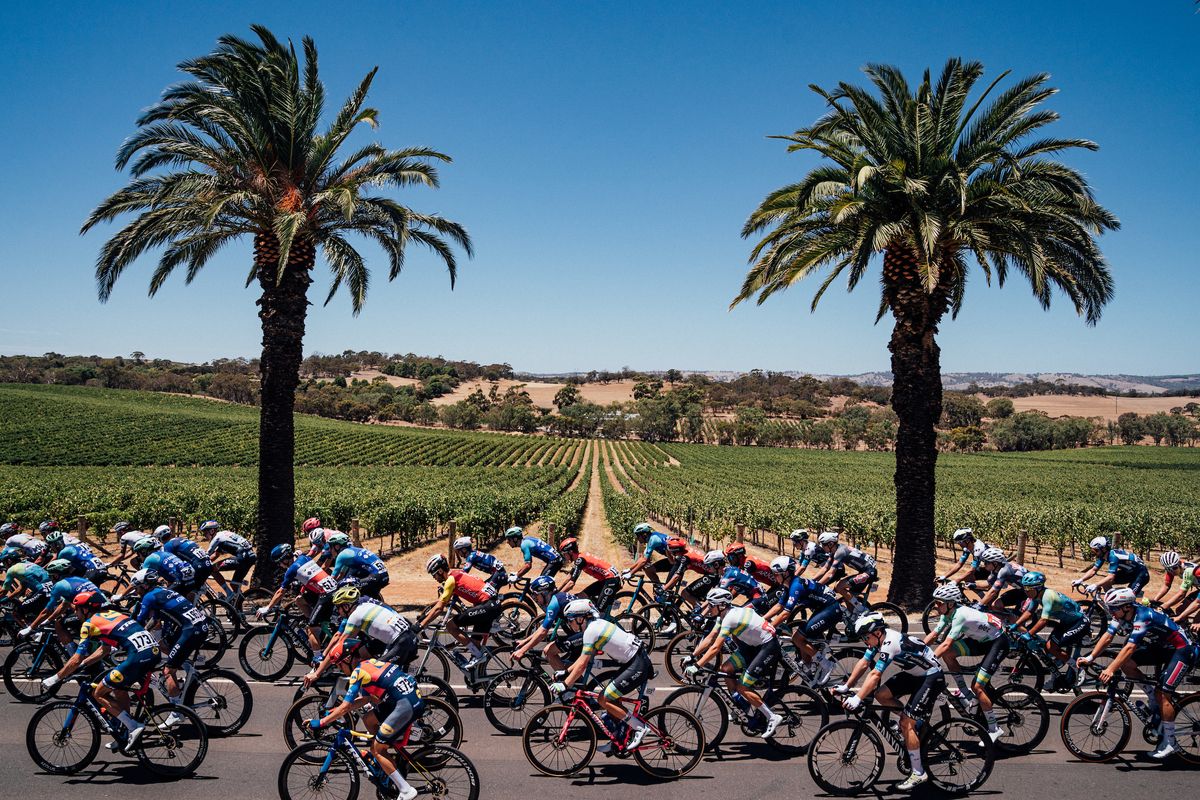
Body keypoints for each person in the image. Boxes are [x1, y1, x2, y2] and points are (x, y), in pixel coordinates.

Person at [1078, 587, 1198, 760]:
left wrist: (1110, 669)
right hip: (1162, 648)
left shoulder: (1142, 617)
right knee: (1127, 664)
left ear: (1126, 607)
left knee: (1163, 694)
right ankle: (1151, 696)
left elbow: (1130, 647)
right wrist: (1090, 657)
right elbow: (1108, 636)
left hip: (1182, 650)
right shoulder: (1123, 614)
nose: (1110, 611)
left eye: (1113, 608)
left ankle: (1170, 742)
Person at [40, 591, 161, 754]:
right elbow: (104, 649)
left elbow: (75, 658)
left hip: (137, 657)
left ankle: (133, 726)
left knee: (99, 693)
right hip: (152, 652)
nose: (75, 613)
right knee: (118, 689)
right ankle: (125, 731)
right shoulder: (111, 614)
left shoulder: (89, 624)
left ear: (85, 609)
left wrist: (55, 678)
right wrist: (84, 664)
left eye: (77, 609)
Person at [836, 612, 945, 791]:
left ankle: (918, 772)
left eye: (866, 637)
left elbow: (875, 674)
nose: (865, 641)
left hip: (931, 677)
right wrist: (847, 686)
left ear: (877, 633)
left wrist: (857, 698)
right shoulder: (878, 638)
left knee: (905, 724)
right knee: (882, 695)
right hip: (914, 673)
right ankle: (913, 722)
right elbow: (864, 663)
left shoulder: (890, 643)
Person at [308, 658, 424, 800]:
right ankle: (385, 760)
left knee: (376, 750)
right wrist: (336, 712)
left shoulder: (357, 673)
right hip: (407, 698)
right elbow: (367, 699)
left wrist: (321, 722)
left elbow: (345, 707)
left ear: (347, 660)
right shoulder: (368, 664)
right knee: (369, 718)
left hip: (404, 705)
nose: (340, 669)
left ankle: (406, 790)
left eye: (339, 665)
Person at [551, 599, 652, 753]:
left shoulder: (592, 631)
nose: (569, 624)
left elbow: (583, 665)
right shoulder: (595, 626)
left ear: (580, 618)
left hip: (637, 664)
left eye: (570, 620)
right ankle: (619, 738)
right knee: (612, 703)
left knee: (603, 699)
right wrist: (566, 672)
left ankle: (640, 727)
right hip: (633, 661)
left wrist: (565, 685)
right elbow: (582, 659)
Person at [686, 588, 784, 738]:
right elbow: (710, 638)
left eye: (711, 605)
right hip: (752, 647)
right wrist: (692, 656)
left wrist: (698, 665)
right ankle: (742, 706)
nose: (708, 609)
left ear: (721, 606)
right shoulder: (724, 615)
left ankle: (772, 716)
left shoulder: (730, 618)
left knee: (742, 686)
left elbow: (715, 647)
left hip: (767, 647)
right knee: (725, 669)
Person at [923, 583, 1006, 740]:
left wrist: (928, 660)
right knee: (948, 654)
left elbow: (946, 643)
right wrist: (918, 650)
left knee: (978, 686)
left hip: (998, 642)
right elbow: (934, 634)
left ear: (950, 603)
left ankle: (994, 728)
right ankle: (966, 694)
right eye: (936, 602)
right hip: (981, 640)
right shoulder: (947, 612)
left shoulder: (960, 615)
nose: (935, 606)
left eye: (938, 603)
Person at [129, 569, 210, 726]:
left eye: (137, 587)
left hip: (191, 630)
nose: (136, 591)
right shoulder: (162, 591)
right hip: (198, 625)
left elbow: (139, 621)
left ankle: (177, 712)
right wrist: (146, 632)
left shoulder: (148, 597)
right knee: (165, 646)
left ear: (145, 586)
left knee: (168, 671)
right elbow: (155, 618)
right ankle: (188, 672)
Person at [306, 586, 418, 688]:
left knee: (377, 676)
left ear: (346, 606)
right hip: (405, 637)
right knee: (366, 649)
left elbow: (340, 646)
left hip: (402, 643)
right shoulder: (367, 605)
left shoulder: (356, 616)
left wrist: (317, 673)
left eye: (338, 608)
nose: (338, 612)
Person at [762, 555, 839, 681]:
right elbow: (778, 606)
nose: (774, 577)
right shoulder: (788, 584)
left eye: (776, 574)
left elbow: (786, 613)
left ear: (786, 573)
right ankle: (810, 668)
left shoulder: (795, 586)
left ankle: (827, 664)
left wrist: (769, 627)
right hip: (822, 608)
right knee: (802, 636)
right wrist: (762, 619)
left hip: (830, 609)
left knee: (797, 638)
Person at [418, 554, 501, 668]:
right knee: (475, 643)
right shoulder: (455, 572)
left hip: (488, 606)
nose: (434, 578)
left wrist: (421, 625)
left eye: (434, 574)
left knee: (450, 626)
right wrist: (426, 617)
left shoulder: (450, 580)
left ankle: (478, 655)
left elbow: (439, 608)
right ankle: (477, 677)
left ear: (441, 571)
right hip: (491, 605)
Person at [1011, 571, 1086, 688]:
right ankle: (1055, 676)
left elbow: (1043, 620)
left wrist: (1029, 634)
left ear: (1037, 588)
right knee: (1048, 648)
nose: (1025, 591)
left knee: (1051, 647)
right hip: (1067, 622)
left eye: (1027, 588)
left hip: (1079, 622)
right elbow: (1029, 612)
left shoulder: (1048, 597)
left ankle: (1077, 667)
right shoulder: (1036, 596)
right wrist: (1015, 624)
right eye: (1024, 588)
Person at [258, 543, 338, 650]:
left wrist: (268, 608)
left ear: (285, 559)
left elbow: (280, 592)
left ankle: (317, 661)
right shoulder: (304, 557)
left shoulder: (292, 569)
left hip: (326, 595)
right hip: (333, 589)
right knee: (299, 600)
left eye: (279, 563)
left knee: (311, 629)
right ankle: (316, 621)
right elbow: (309, 579)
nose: (280, 565)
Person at [20, 559, 106, 641]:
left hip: (92, 613)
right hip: (104, 607)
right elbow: (64, 604)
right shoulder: (79, 579)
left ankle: (74, 653)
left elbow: (46, 611)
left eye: (51, 576)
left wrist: (30, 628)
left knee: (59, 625)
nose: (51, 579)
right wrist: (48, 620)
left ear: (56, 575)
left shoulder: (59, 586)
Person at [511, 576, 578, 671]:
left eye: (535, 594)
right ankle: (573, 683)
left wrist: (522, 650)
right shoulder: (559, 597)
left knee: (549, 651)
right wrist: (525, 641)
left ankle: (564, 683)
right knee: (569, 668)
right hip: (584, 632)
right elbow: (543, 628)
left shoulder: (554, 604)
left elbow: (543, 633)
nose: (535, 598)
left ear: (545, 593)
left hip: (587, 634)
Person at [812, 531, 878, 613]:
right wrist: (812, 581)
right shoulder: (834, 551)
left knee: (839, 586)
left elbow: (830, 574)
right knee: (847, 595)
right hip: (866, 571)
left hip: (869, 572)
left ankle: (862, 610)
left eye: (823, 544)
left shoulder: (840, 552)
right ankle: (853, 615)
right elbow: (825, 568)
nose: (822, 547)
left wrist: (816, 587)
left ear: (830, 544)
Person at [557, 537, 621, 615]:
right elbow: (569, 577)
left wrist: (558, 597)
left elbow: (571, 583)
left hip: (612, 581)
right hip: (605, 580)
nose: (564, 557)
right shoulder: (579, 558)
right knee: (581, 596)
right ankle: (607, 601)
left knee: (599, 612)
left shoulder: (581, 560)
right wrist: (558, 591)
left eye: (564, 554)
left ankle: (606, 612)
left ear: (570, 552)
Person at [1074, 535, 1149, 597]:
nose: (1094, 553)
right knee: (1105, 583)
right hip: (1130, 572)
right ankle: (1113, 606)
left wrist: (1095, 585)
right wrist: (1080, 580)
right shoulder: (1103, 555)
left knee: (1128, 597)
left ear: (1103, 549)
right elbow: (1093, 570)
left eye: (1096, 550)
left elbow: (1111, 577)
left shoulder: (1113, 556)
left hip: (1141, 574)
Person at [324, 533, 390, 599]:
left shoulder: (342, 555)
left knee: (347, 591)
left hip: (376, 577)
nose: (329, 550)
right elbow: (341, 575)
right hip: (383, 575)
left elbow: (333, 578)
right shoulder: (350, 551)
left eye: (330, 547)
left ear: (337, 546)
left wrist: (323, 590)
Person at [661, 537, 720, 609]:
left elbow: (677, 576)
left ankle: (701, 613)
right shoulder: (687, 550)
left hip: (712, 576)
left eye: (671, 551)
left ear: (675, 550)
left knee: (685, 593)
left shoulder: (686, 557)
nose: (671, 553)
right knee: (692, 596)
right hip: (712, 574)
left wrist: (664, 588)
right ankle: (698, 612)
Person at [159, 526, 215, 599]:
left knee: (183, 589)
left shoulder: (167, 546)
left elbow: (171, 563)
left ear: (160, 539)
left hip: (199, 567)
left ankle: (189, 608)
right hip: (207, 563)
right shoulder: (181, 539)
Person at [203, 522, 257, 596]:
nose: (204, 536)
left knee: (212, 569)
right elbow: (216, 555)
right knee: (234, 584)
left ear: (212, 531)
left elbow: (206, 555)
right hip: (251, 557)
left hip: (242, 558)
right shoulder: (224, 534)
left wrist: (199, 565)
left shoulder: (217, 538)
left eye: (205, 533)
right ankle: (238, 603)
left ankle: (229, 593)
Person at [132, 537, 197, 593]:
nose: (139, 557)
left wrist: (123, 595)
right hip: (189, 576)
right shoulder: (165, 553)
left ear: (144, 552)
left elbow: (140, 579)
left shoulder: (149, 559)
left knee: (158, 599)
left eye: (138, 554)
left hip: (181, 581)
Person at [2, 558, 53, 625]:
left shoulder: (11, 569)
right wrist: (8, 599)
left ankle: (32, 633)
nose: (4, 565)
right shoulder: (27, 563)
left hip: (43, 591)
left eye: (4, 562)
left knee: (16, 612)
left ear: (9, 560)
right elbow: (21, 588)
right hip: (53, 587)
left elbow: (4, 591)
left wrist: (2, 600)